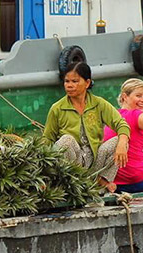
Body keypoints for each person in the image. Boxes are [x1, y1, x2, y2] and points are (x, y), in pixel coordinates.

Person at [42, 62, 130, 193]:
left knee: (121, 141)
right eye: (67, 81)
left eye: (75, 81)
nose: (69, 85)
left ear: (87, 83)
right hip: (72, 164)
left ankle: (100, 180)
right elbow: (47, 140)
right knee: (67, 140)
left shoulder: (98, 104)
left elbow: (121, 124)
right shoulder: (57, 108)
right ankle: (71, 185)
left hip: (94, 162)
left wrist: (122, 143)